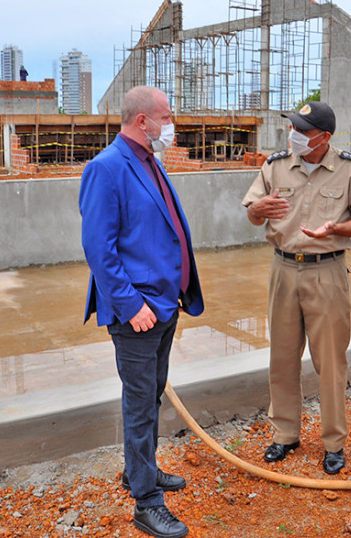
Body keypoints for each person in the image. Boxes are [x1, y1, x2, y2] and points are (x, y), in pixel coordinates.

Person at [79, 85, 203, 538]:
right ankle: (147, 503)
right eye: (167, 116)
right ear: (142, 121)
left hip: (164, 307)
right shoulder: (107, 168)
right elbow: (99, 248)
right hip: (138, 313)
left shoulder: (151, 162)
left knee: (151, 396)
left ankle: (139, 471)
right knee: (139, 406)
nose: (172, 124)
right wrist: (132, 305)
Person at [241, 101, 351, 475]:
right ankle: (285, 434)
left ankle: (334, 442)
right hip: (283, 270)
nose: (295, 136)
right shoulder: (274, 165)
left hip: (327, 272)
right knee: (282, 357)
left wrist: (335, 229)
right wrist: (260, 210)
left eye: (303, 131)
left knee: (331, 362)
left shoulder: (350, 169)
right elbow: (253, 213)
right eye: (293, 128)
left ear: (324, 137)